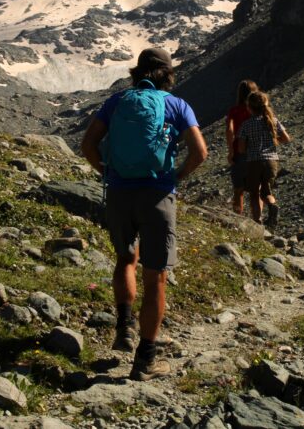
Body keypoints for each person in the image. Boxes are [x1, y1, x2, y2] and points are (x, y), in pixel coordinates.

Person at [81, 48, 207, 381]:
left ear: (137, 72)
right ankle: (145, 360)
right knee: (156, 277)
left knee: (125, 259)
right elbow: (200, 152)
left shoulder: (117, 102)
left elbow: (88, 145)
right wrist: (176, 177)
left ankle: (124, 327)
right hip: (158, 194)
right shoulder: (176, 105)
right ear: (167, 73)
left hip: (120, 193)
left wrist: (105, 172)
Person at [237, 91, 292, 226]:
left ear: (249, 107)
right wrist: (273, 140)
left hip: (254, 162)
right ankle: (272, 205)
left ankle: (257, 221)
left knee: (255, 193)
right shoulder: (273, 121)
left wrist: (251, 146)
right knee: (266, 191)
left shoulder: (246, 125)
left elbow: (241, 149)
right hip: (271, 162)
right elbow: (286, 138)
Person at [224, 80, 258, 214]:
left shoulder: (234, 111)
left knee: (238, 189)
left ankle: (238, 218)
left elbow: (229, 130)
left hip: (239, 151)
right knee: (256, 189)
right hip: (256, 151)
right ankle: (258, 218)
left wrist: (231, 151)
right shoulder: (257, 111)